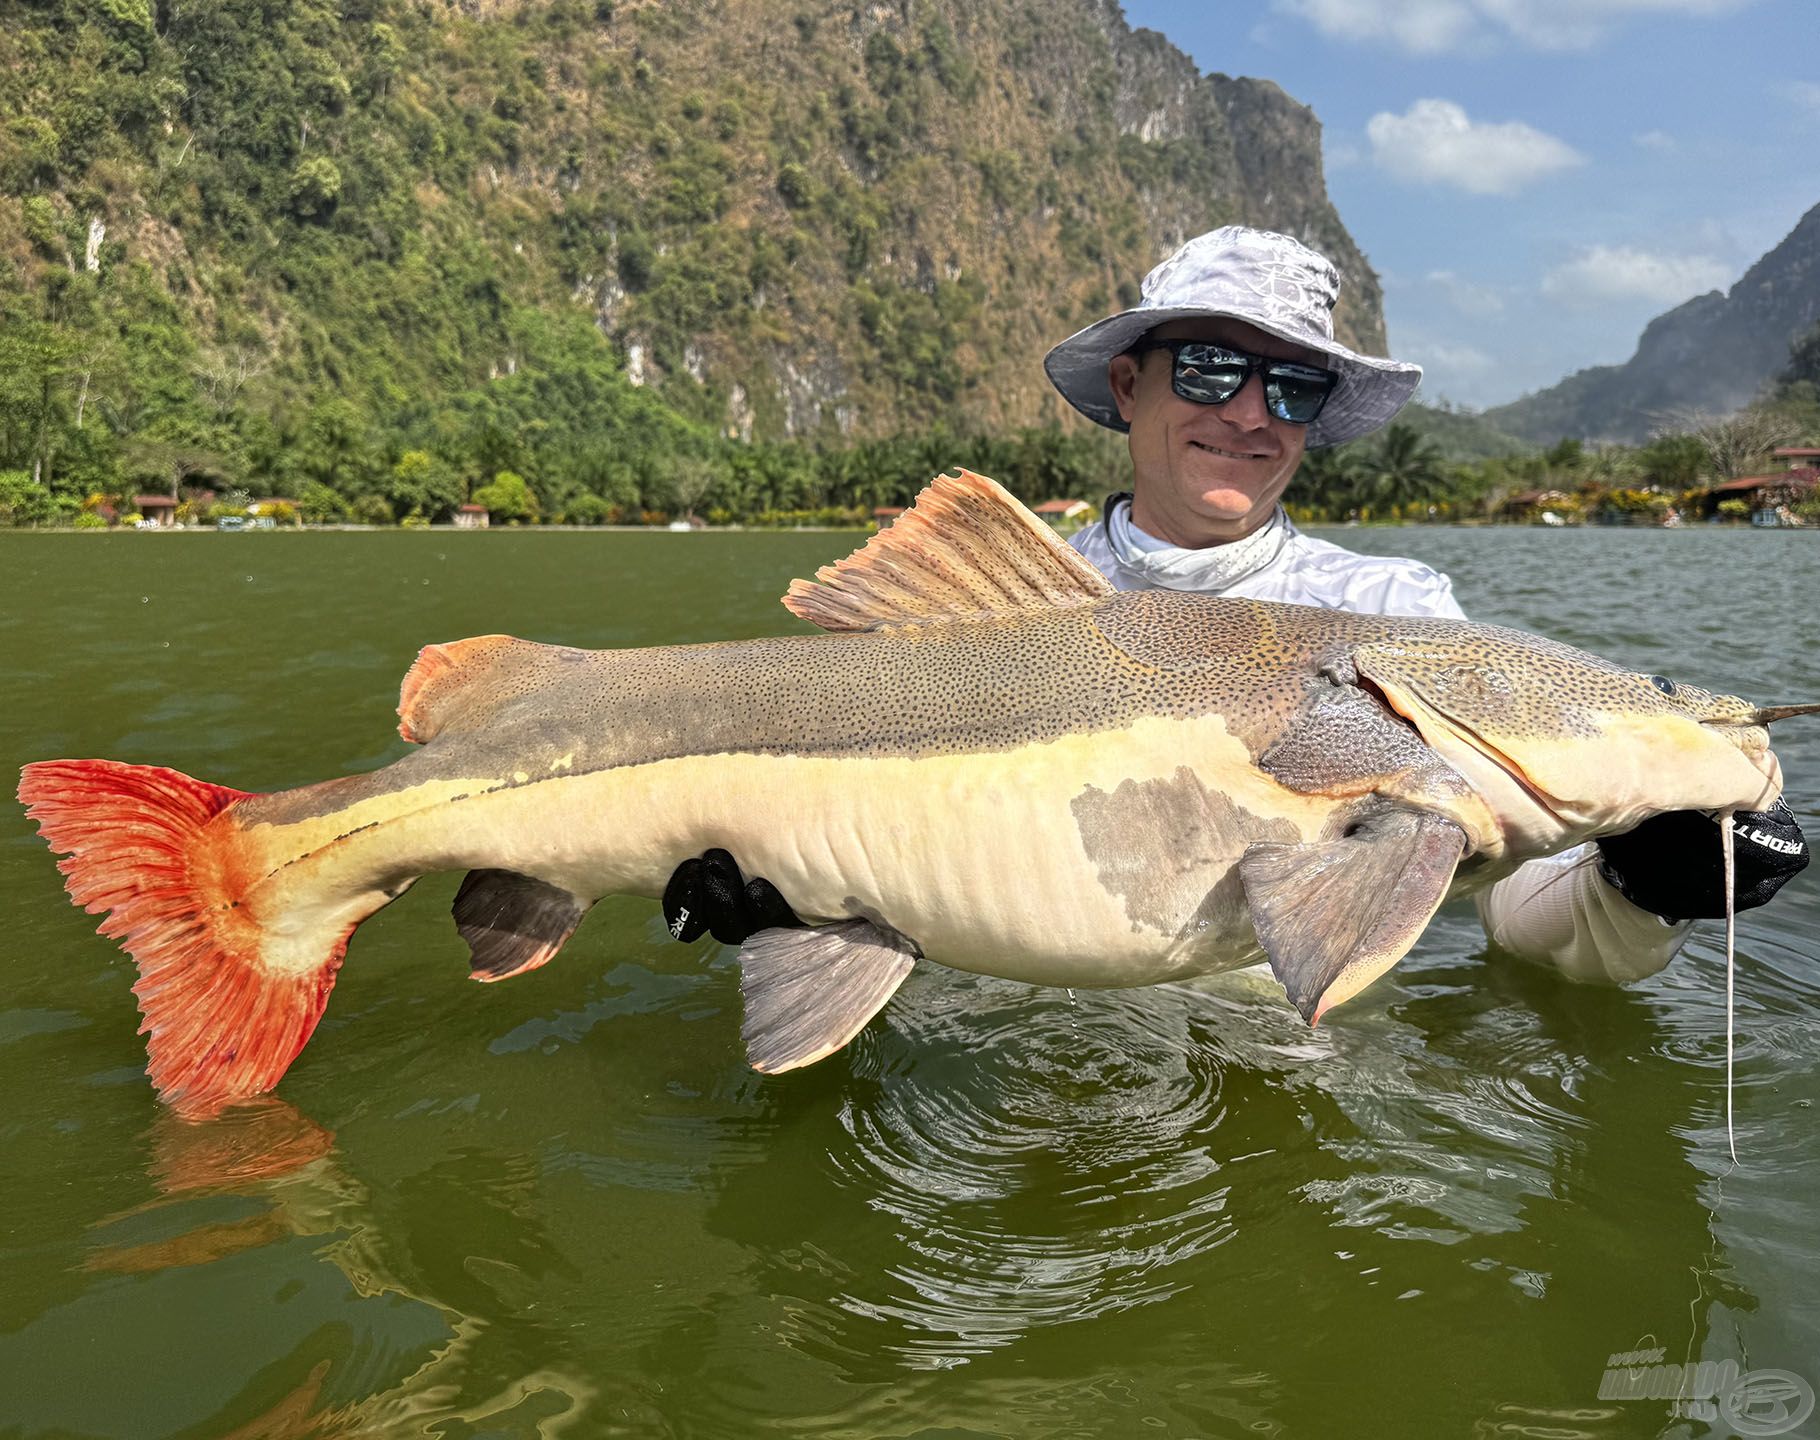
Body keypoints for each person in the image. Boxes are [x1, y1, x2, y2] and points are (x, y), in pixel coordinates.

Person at [664, 226, 1806, 990]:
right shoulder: (984, 614)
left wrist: (1640, 890)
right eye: (1209, 369)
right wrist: (781, 916)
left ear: (1315, 420)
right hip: (970, 1049)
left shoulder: (1397, 617)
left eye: (1291, 386)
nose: (1248, 414)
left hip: (1264, 1071)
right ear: (1130, 386)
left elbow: (1510, 924)